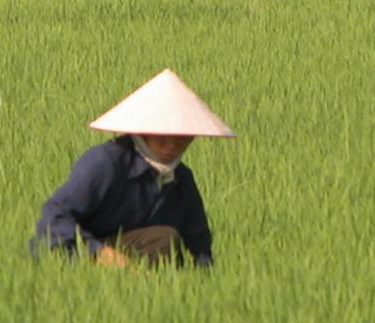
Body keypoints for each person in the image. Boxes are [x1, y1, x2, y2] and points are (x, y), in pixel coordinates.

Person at [30, 69, 235, 268]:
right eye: (162, 137)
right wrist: (102, 254)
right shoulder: (106, 162)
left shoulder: (181, 179)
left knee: (167, 244)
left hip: (132, 259)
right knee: (163, 239)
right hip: (75, 254)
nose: (171, 146)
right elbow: (54, 216)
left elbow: (198, 243)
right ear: (142, 131)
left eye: (180, 138)